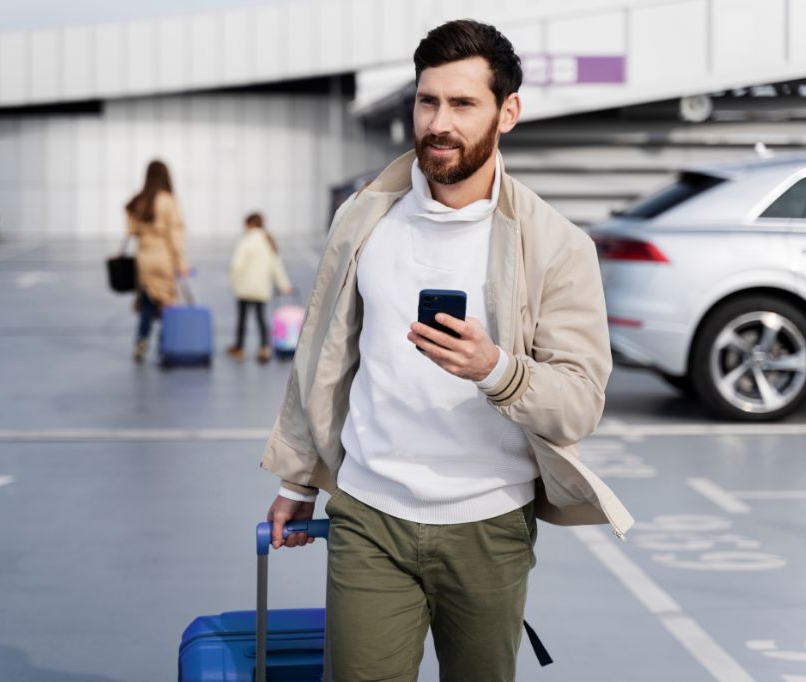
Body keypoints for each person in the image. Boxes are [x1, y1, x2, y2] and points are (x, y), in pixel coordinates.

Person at [261, 19, 634, 682]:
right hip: (371, 514)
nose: (439, 122)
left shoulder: (556, 245)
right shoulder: (363, 218)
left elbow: (578, 406)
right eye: (427, 100)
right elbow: (323, 355)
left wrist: (496, 370)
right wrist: (298, 479)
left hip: (489, 523)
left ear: (507, 112)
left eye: (463, 104)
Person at [124, 160, 189, 363]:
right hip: (163, 257)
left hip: (143, 256)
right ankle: (165, 345)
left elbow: (131, 231)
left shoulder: (139, 200)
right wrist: (181, 262)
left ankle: (141, 341)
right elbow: (175, 234)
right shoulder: (169, 200)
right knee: (167, 301)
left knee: (146, 301)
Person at [225, 212, 292, 364]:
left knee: (242, 318)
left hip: (244, 287)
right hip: (261, 288)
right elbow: (277, 266)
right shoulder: (268, 241)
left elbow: (236, 265)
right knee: (261, 318)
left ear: (250, 224)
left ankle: (240, 347)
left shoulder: (246, 241)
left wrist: (233, 282)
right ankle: (264, 348)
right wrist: (284, 285)